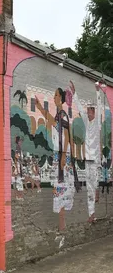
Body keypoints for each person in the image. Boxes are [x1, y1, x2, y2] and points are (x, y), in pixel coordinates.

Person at [35, 87, 77, 232]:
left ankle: (62, 225)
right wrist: (40, 107)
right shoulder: (58, 115)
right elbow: (49, 119)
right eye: (54, 95)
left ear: (61, 98)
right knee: (59, 188)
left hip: (62, 155)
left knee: (62, 187)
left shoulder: (63, 115)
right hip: (58, 155)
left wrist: (64, 155)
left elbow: (66, 136)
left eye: (56, 95)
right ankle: (61, 224)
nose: (54, 97)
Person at [72, 81, 103, 223]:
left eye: (88, 111)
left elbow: (100, 107)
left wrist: (97, 91)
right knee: (89, 187)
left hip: (95, 159)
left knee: (94, 184)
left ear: (93, 112)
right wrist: (74, 94)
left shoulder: (97, 123)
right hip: (88, 159)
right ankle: (92, 214)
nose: (86, 112)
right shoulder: (86, 121)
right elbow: (78, 108)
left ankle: (97, 193)